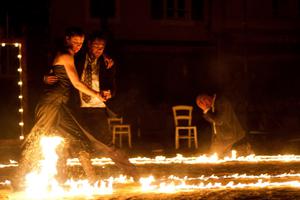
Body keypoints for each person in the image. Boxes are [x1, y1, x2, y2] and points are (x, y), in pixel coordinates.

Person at [13, 27, 136, 190]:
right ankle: (18, 179)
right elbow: (76, 83)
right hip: (53, 103)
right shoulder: (67, 56)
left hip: (65, 105)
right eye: (75, 42)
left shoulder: (93, 59)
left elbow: (108, 80)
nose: (78, 46)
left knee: (80, 138)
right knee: (38, 139)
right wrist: (97, 94)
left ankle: (93, 180)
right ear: (67, 40)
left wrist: (104, 59)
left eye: (80, 43)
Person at [45, 31, 116, 146]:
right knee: (76, 141)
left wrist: (109, 93)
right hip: (77, 106)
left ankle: (125, 164)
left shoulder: (107, 63)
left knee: (107, 143)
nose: (98, 50)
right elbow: (57, 64)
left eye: (101, 48)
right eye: (95, 46)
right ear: (88, 45)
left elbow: (112, 85)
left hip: (98, 107)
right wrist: (45, 76)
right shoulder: (76, 57)